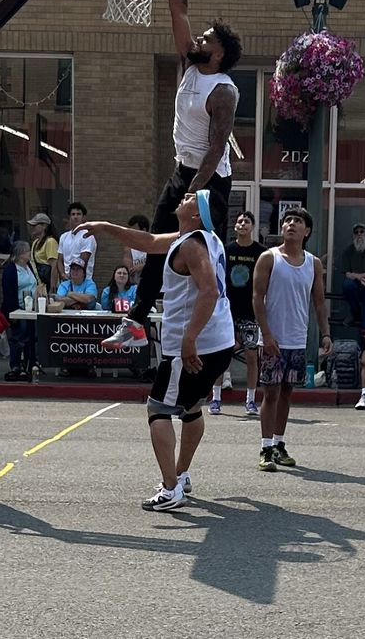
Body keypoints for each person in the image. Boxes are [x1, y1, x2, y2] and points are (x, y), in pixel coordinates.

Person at [103, 0, 242, 350]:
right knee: (157, 242)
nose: (198, 37)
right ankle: (136, 320)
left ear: (218, 52)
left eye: (206, 38)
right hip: (185, 169)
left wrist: (192, 189)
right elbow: (177, 7)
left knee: (198, 251)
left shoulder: (223, 91)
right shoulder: (189, 63)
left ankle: (213, 327)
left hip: (211, 180)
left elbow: (217, 150)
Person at [78, 189, 235, 512]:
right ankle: (182, 474)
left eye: (193, 198)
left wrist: (189, 339)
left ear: (196, 215)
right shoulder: (199, 238)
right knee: (191, 407)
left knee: (158, 409)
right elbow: (148, 243)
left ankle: (170, 488)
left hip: (194, 344)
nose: (186, 196)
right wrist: (106, 226)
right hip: (219, 341)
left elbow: (209, 291)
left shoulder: (192, 245)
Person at [252, 207, 331, 473]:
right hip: (273, 339)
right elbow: (257, 298)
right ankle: (265, 449)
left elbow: (319, 302)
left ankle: (279, 444)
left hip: (297, 339)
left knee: (287, 392)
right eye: (288, 220)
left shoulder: (313, 263)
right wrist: (266, 333)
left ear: (306, 231)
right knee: (271, 393)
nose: (292, 224)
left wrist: (325, 333)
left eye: (298, 221)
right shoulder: (269, 258)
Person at [210, 210, 263, 418]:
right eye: (240, 221)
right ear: (235, 227)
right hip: (226, 311)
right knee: (222, 355)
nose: (243, 224)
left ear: (252, 227)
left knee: (251, 355)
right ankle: (215, 398)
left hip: (249, 311)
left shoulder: (260, 252)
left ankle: (250, 400)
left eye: (247, 221)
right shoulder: (227, 250)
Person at [1, 240, 37, 381]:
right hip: (17, 308)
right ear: (21, 254)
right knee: (18, 337)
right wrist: (12, 313)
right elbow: (8, 293)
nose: (29, 254)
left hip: (31, 308)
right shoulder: (11, 270)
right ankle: (16, 364)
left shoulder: (29, 267)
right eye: (27, 251)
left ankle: (30, 363)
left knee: (30, 337)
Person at [58, 202, 96, 285]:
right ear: (69, 217)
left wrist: (72, 276)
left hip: (83, 282)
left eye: (78, 214)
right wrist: (62, 274)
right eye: (73, 214)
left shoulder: (87, 235)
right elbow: (59, 260)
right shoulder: (63, 237)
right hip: (65, 282)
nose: (75, 216)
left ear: (83, 217)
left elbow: (83, 261)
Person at [27, 213, 59, 296]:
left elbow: (54, 266)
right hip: (39, 283)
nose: (32, 228)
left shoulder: (50, 242)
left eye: (35, 225)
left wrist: (52, 287)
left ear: (44, 226)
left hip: (48, 283)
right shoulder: (35, 243)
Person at [123, 214, 150, 285]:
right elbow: (128, 271)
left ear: (143, 230)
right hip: (135, 285)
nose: (131, 234)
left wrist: (143, 266)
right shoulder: (129, 248)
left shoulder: (153, 246)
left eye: (134, 231)